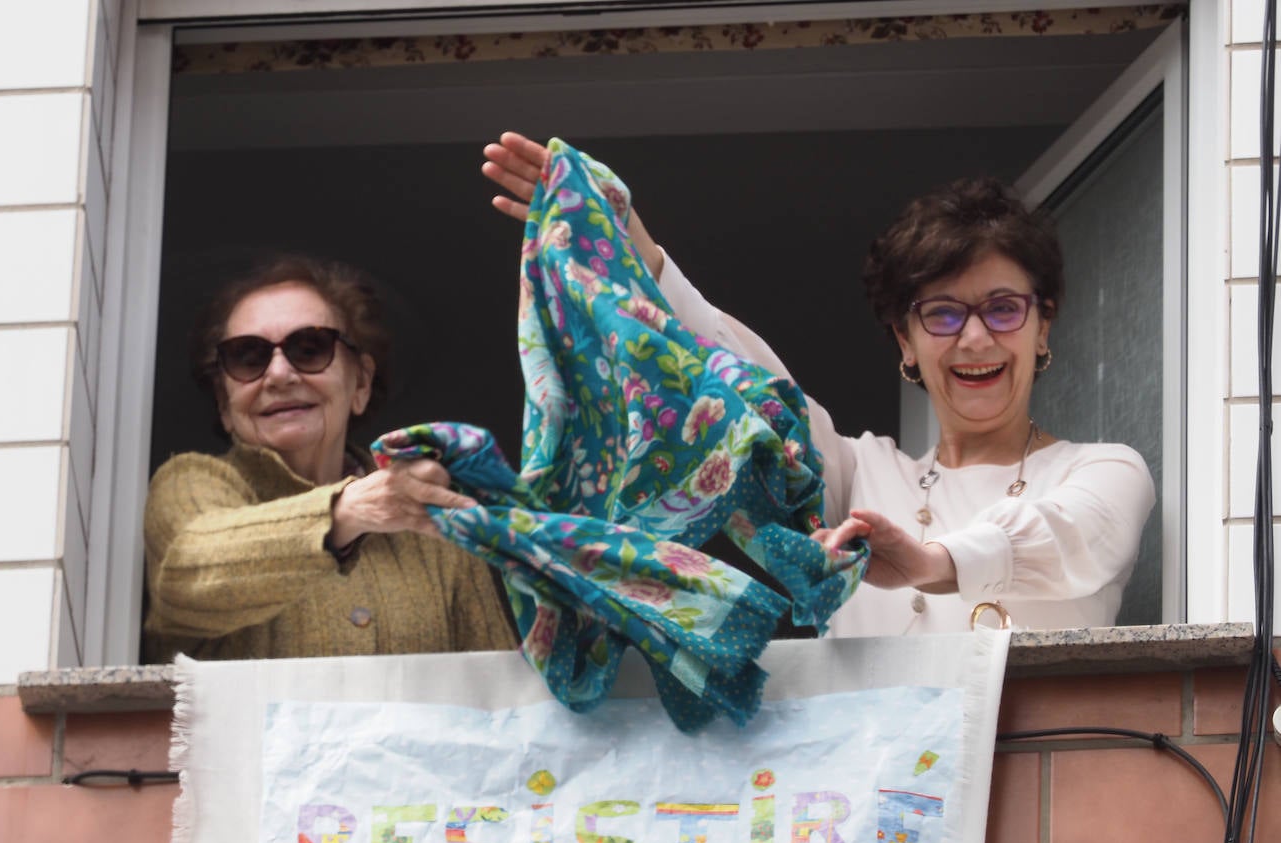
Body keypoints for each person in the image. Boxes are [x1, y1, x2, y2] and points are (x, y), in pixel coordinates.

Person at [482, 133, 1154, 635]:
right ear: (905, 340)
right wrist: (642, 253)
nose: (975, 338)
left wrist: (924, 562)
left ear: (1043, 326)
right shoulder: (861, 476)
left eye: (1003, 308)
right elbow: (749, 382)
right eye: (942, 313)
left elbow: (1069, 533)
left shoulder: (1106, 472)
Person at [143, 255, 517, 662]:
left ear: (361, 382)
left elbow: (494, 691)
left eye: (309, 348)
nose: (279, 374)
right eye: (248, 357)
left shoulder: (432, 529)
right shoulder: (191, 482)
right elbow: (189, 575)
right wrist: (349, 510)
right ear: (224, 404)